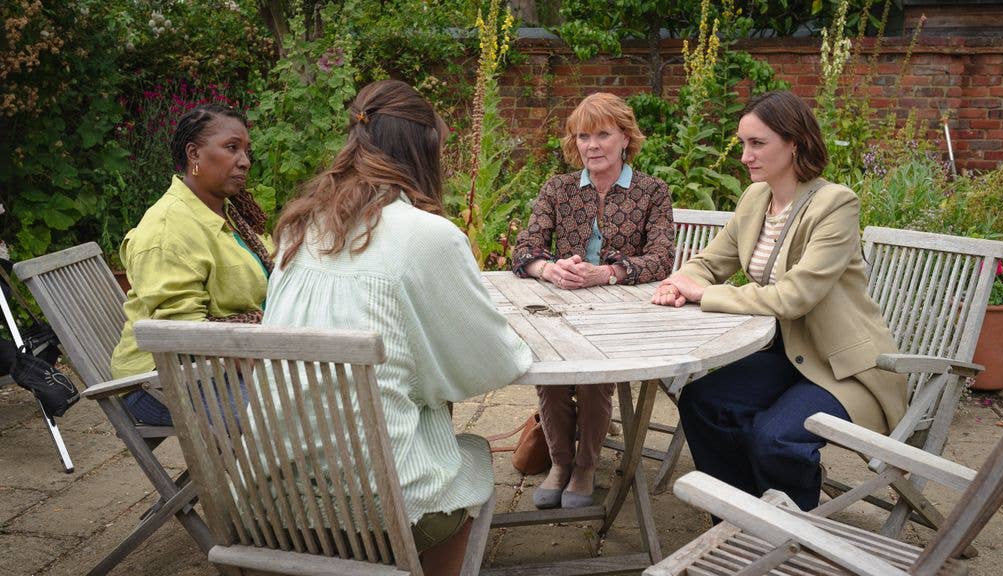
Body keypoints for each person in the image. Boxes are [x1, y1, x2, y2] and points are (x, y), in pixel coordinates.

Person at [263, 80, 532, 575]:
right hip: (376, 505)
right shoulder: (427, 235)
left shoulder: (300, 229)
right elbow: (490, 364)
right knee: (468, 458)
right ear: (425, 149)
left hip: (274, 499)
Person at [651, 90, 907, 511]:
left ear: (794, 143)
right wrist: (681, 282)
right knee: (702, 402)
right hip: (788, 357)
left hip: (844, 369)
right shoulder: (756, 199)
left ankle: (795, 537)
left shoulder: (834, 204)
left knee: (775, 436)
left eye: (757, 143)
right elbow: (711, 261)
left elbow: (794, 297)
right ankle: (741, 520)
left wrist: (707, 294)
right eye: (743, 144)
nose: (745, 156)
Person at [511, 92, 674, 510]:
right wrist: (550, 269)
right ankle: (560, 463)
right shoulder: (559, 189)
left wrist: (606, 273)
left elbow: (660, 258)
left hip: (624, 315)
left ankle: (586, 465)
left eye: (603, 134)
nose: (592, 145)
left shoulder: (652, 192)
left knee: (596, 375)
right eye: (583, 136)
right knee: (548, 369)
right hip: (565, 309)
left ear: (625, 138)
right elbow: (526, 246)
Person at [110, 103, 273, 425]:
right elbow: (183, 336)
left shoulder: (230, 213)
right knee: (298, 421)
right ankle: (261, 475)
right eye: (231, 148)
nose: (245, 161)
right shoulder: (168, 230)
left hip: (228, 361)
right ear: (194, 154)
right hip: (164, 381)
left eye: (246, 151)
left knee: (323, 401)